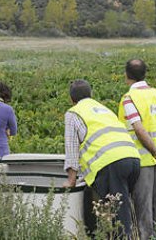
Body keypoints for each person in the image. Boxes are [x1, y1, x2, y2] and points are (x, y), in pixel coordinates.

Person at [62, 79, 140, 237]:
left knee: (118, 216)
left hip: (112, 163)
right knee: (118, 207)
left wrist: (71, 180)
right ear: (91, 94)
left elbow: (71, 150)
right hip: (133, 159)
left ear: (72, 100)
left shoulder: (73, 113)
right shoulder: (103, 109)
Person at [118, 59, 156, 239]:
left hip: (141, 161)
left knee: (143, 211)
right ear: (145, 74)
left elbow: (139, 129)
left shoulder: (129, 99)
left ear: (126, 76)